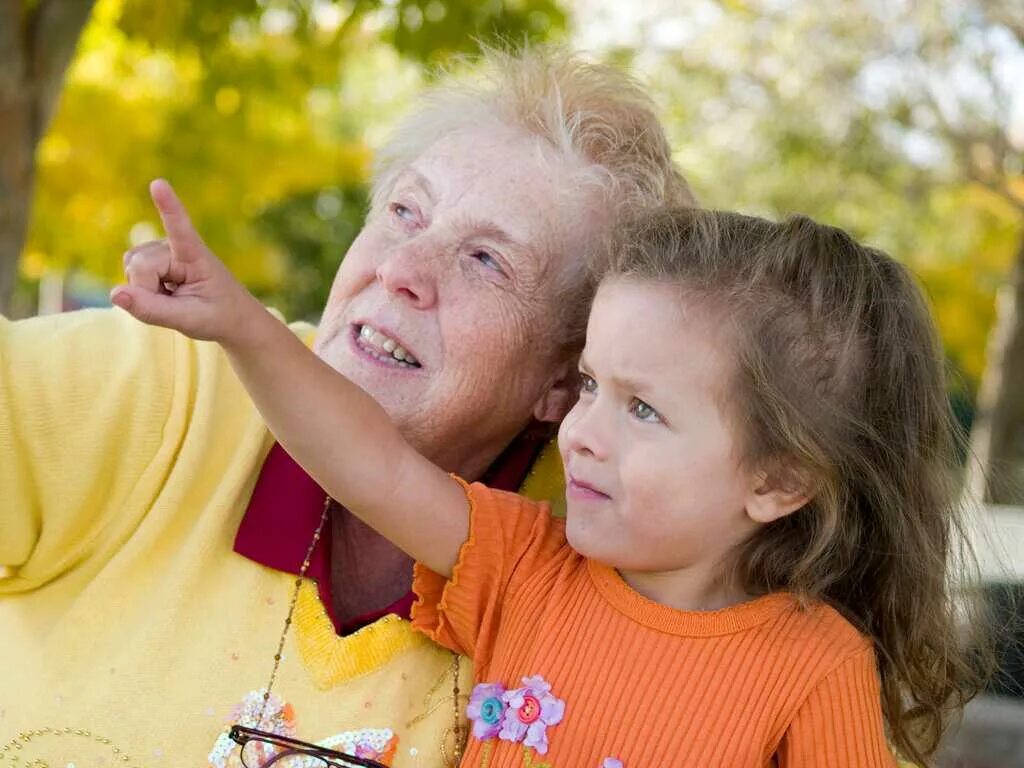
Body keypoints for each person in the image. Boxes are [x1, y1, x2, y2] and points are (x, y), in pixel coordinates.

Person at [112, 195, 985, 767]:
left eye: (643, 410)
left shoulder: (811, 665)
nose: (583, 435)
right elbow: (368, 464)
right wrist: (242, 327)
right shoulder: (528, 566)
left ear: (779, 480)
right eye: (594, 387)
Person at [0, 49, 694, 767]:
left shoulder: (604, 558)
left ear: (563, 376)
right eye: (403, 211)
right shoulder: (166, 380)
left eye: (487, 260)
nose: (400, 270)